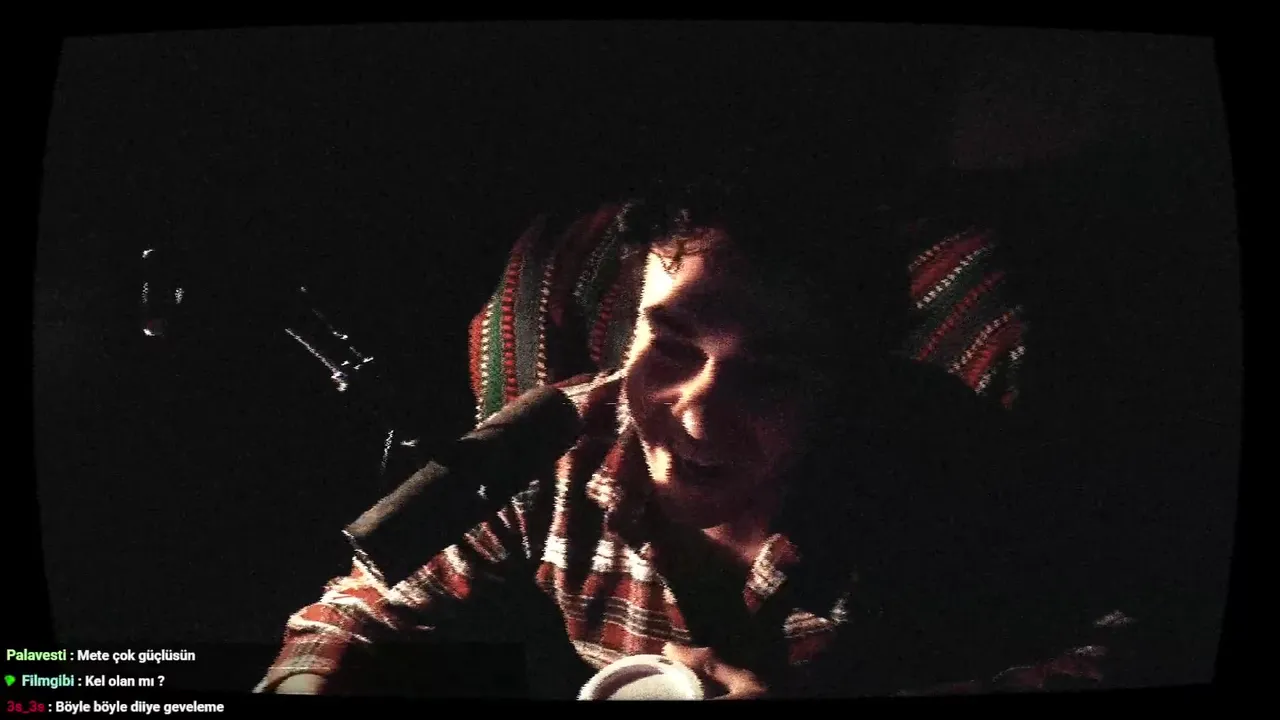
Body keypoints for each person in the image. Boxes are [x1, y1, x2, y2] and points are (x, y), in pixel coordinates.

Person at [255, 164, 1155, 698]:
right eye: (672, 345)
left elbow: (1116, 648)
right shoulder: (558, 444)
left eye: (769, 374)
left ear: (846, 385)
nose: (694, 413)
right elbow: (361, 603)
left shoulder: (928, 470)